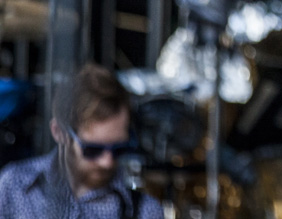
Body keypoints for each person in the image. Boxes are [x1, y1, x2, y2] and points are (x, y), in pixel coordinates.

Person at [0, 62, 163, 219]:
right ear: (58, 133)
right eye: (92, 149)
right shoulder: (15, 186)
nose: (107, 162)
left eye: (119, 149)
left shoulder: (145, 211)